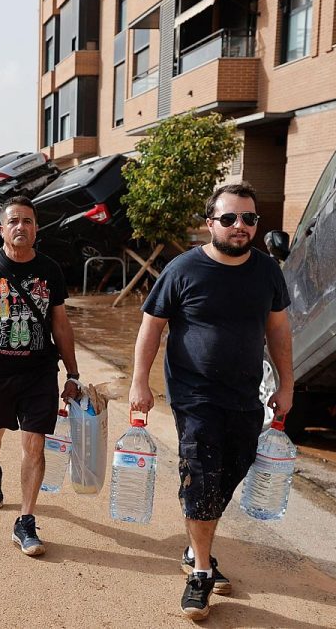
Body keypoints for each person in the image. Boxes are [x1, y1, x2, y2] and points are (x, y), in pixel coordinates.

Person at [127, 181, 293, 621]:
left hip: (246, 396)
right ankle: (201, 571)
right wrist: (139, 383)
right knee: (202, 476)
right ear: (210, 223)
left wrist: (287, 384)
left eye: (249, 219)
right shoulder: (182, 270)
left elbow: (277, 331)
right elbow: (151, 327)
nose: (240, 226)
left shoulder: (267, 272)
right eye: (229, 218)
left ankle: (194, 542)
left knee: (232, 470)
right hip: (194, 395)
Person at [0, 196, 81, 557]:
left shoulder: (50, 270)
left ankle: (25, 520)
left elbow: (61, 324)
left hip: (38, 373)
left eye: (28, 222)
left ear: (36, 229)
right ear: (1, 229)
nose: (21, 227)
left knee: (34, 445)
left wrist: (73, 373)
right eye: (14, 221)